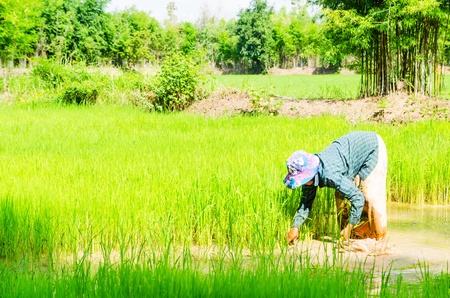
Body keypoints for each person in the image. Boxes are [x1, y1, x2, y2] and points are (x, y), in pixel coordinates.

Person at [283, 131, 388, 244]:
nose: (302, 183)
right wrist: (296, 227)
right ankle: (351, 238)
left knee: (370, 196)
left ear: (310, 173)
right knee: (341, 197)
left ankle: (380, 242)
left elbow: (358, 198)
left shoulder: (329, 174)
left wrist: (349, 227)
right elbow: (305, 203)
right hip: (351, 157)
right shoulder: (310, 179)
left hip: (372, 147)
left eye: (302, 179)